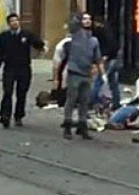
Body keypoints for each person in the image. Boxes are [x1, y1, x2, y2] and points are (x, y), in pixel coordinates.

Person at [0, 13, 46, 128]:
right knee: (7, 92)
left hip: (24, 68)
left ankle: (19, 116)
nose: (15, 23)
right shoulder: (4, 36)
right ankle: (5, 116)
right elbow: (0, 51)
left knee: (21, 93)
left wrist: (42, 45)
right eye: (12, 21)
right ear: (9, 24)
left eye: (16, 20)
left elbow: (37, 43)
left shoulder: (26, 35)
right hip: (9, 68)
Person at [61, 12, 103, 140]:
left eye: (89, 19)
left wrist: (102, 74)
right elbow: (73, 23)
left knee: (84, 101)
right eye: (84, 19)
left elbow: (98, 58)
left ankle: (82, 125)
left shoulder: (94, 40)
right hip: (74, 72)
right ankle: (67, 125)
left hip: (87, 74)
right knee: (71, 100)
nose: (87, 21)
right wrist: (79, 13)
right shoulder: (76, 35)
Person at [90, 16, 120, 111]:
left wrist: (105, 57)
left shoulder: (103, 31)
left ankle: (92, 100)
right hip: (113, 58)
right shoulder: (108, 30)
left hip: (108, 59)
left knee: (99, 80)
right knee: (113, 83)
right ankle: (116, 102)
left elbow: (109, 45)